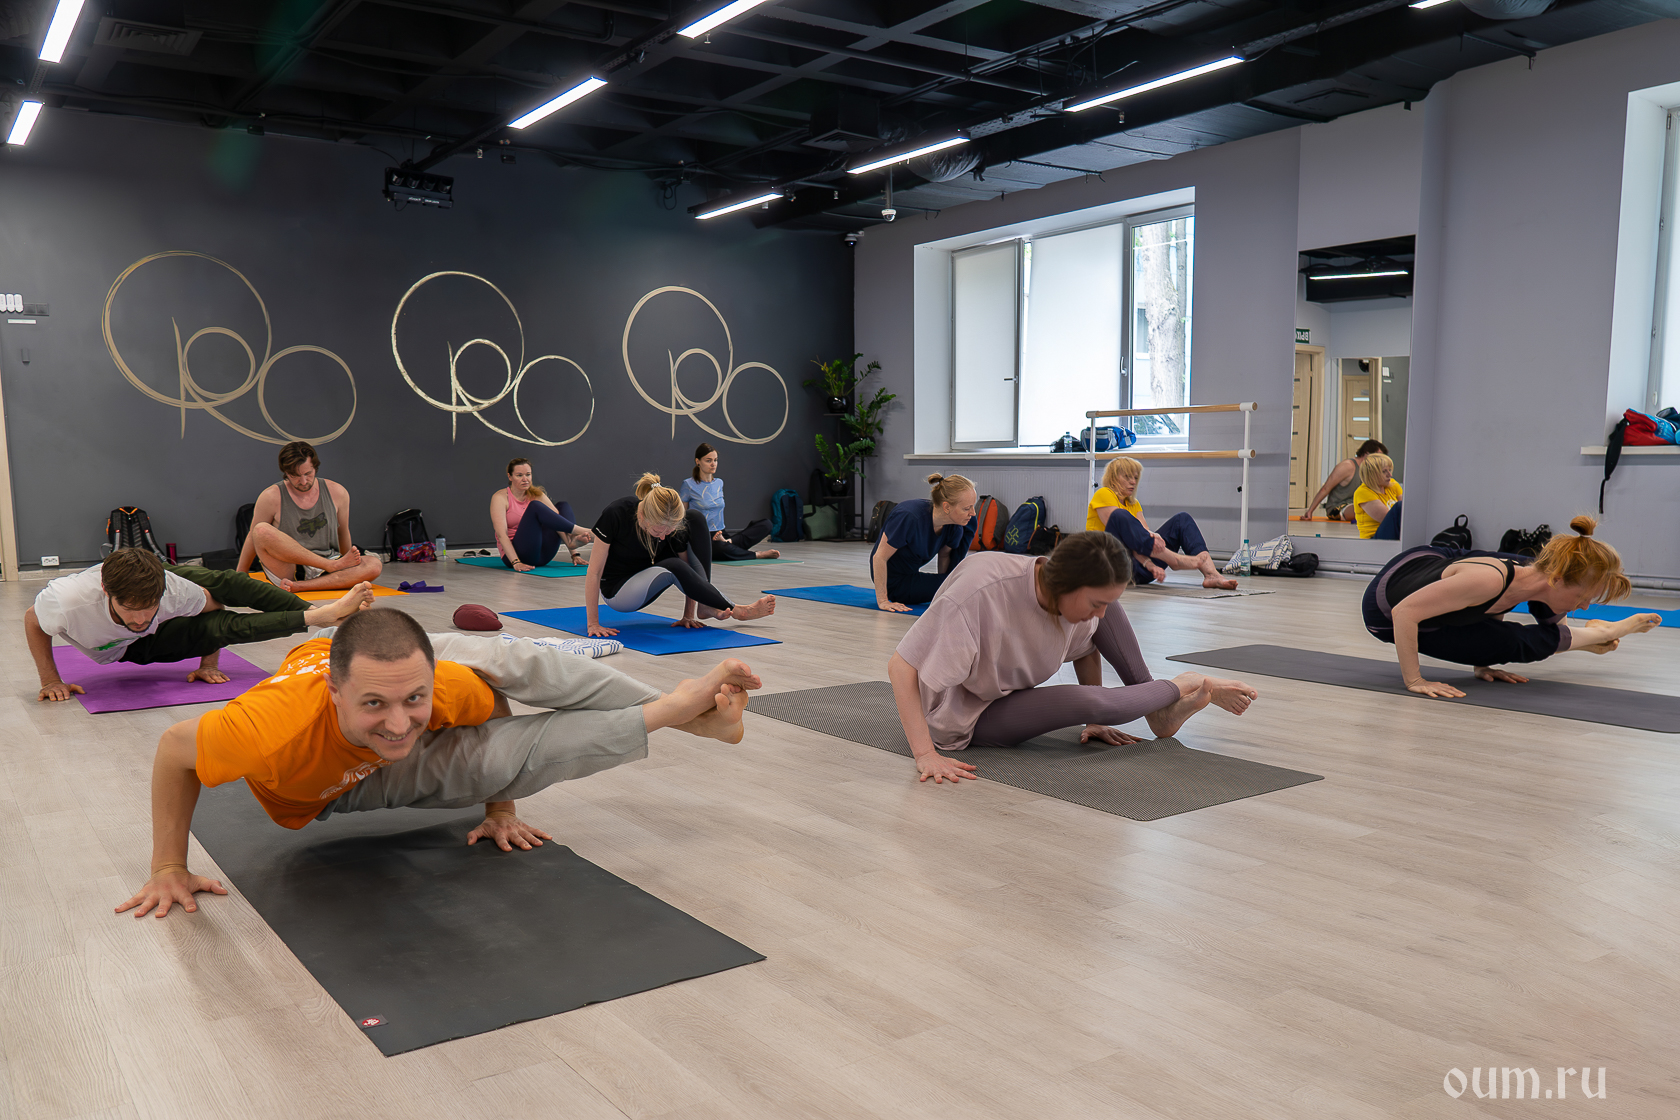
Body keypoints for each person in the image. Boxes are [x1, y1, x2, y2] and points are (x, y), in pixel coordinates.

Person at [115, 608, 762, 918]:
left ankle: (695, 715)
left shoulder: (436, 689)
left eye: (414, 701)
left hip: (367, 651)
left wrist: (502, 807)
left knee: (505, 660)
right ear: (337, 695)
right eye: (374, 705)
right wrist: (168, 866)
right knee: (475, 764)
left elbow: (492, 710)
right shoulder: (268, 727)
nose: (400, 726)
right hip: (328, 791)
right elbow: (174, 752)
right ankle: (677, 711)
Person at [887, 532, 1260, 784]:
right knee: (1088, 700)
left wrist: (1096, 724)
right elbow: (901, 666)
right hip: (964, 712)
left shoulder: (1066, 599)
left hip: (1005, 690)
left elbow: (1087, 645)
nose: (1100, 614)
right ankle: (1185, 683)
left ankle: (1159, 711)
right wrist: (924, 754)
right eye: (1094, 602)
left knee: (1104, 622)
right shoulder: (977, 595)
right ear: (1064, 584)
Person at [1362, 515, 1661, 698]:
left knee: (1535, 584)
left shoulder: (1533, 575)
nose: (1584, 606)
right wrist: (1414, 680)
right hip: (1385, 607)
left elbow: (1495, 605)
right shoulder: (1487, 581)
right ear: (1558, 580)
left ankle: (1580, 637)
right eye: (1583, 598)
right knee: (1513, 642)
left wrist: (1482, 659)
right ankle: (1600, 634)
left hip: (1434, 563)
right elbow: (1405, 613)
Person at [25, 547, 373, 702]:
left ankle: (325, 615)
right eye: (130, 610)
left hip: (161, 581)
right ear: (106, 591)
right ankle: (318, 617)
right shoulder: (68, 601)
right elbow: (32, 620)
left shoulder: (171, 589)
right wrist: (50, 680)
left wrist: (209, 661)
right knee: (220, 626)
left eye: (150, 608)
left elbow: (214, 609)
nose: (141, 619)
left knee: (228, 585)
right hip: (130, 649)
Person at [585, 473, 776, 637]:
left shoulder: (667, 523)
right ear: (642, 517)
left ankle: (705, 606)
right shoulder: (616, 513)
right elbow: (594, 572)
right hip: (619, 591)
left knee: (694, 518)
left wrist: (688, 615)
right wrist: (593, 623)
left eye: (668, 531)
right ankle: (739, 610)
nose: (663, 537)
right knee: (672, 565)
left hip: (651, 576)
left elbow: (688, 569)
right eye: (658, 531)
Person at [238, 440, 383, 592]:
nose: (303, 481)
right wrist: (241, 573)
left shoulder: (338, 492)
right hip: (290, 567)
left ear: (315, 468)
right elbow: (252, 537)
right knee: (260, 530)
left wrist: (348, 564)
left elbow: (343, 532)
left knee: (374, 565)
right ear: (285, 472)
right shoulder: (270, 496)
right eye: (295, 476)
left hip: (330, 561)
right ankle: (325, 570)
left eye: (308, 474)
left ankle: (300, 587)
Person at [1086, 457, 1238, 590]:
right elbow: (1124, 536)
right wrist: (1150, 542)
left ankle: (1212, 575)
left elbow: (1141, 540)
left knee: (1182, 519)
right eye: (1127, 477)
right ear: (1113, 477)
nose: (1133, 482)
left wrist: (1150, 563)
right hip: (1110, 565)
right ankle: (1175, 560)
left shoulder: (1134, 504)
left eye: (1135, 478)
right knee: (1120, 515)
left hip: (1140, 568)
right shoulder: (1104, 493)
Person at [870, 473, 977, 612]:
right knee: (960, 587)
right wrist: (883, 601)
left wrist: (942, 584)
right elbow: (879, 557)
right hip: (894, 581)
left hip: (911, 573)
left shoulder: (954, 526)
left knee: (956, 584)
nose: (973, 512)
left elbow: (945, 555)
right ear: (946, 507)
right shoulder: (909, 516)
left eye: (973, 507)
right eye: (967, 508)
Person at [677, 443, 778, 561]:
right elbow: (681, 516)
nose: (713, 464)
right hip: (702, 536)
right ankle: (756, 554)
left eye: (715, 460)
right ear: (698, 461)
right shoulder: (688, 485)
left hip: (721, 535)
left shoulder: (719, 483)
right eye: (708, 460)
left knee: (767, 524)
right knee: (720, 548)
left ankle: (728, 543)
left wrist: (725, 540)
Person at [490, 457, 594, 571]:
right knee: (535, 506)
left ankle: (572, 538)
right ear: (510, 477)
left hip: (543, 556)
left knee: (562, 506)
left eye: (528, 474)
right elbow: (502, 535)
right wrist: (516, 562)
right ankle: (583, 531)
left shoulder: (537, 494)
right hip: (518, 555)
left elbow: (557, 522)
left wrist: (574, 554)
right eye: (519, 475)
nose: (525, 479)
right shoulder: (500, 498)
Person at [1302, 439, 1388, 522]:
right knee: (1368, 507)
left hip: (1356, 504)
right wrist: (1310, 511)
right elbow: (1325, 488)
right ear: (1366, 454)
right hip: (1337, 507)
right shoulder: (1348, 466)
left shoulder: (1370, 470)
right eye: (1378, 457)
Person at [1351, 452, 1403, 540]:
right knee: (1399, 507)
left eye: (1389, 470)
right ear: (1372, 474)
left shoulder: (1393, 485)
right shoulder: (1363, 492)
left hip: (1393, 534)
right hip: (1373, 539)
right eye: (1384, 471)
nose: (1390, 475)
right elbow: (1388, 519)